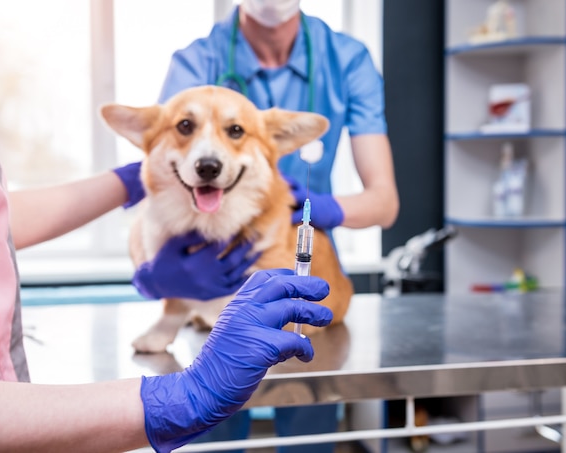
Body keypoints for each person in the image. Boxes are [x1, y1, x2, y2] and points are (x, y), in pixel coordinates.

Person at [0, 95, 334, 452]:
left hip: (0, 393)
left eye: (234, 132)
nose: (208, 156)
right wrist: (176, 400)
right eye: (185, 128)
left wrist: (127, 179)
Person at [156, 0, 400, 451]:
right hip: (215, 269)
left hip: (306, 262)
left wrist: (323, 208)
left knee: (309, 423)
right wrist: (161, 266)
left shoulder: (345, 59)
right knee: (214, 425)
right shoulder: (197, 61)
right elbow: (163, 168)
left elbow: (384, 203)